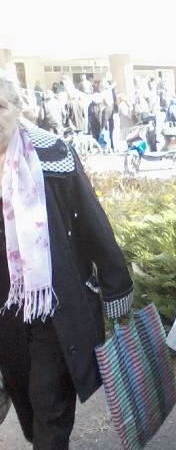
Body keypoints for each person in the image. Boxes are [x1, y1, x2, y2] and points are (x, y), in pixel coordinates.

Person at [0, 74, 133, 449]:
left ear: (17, 109)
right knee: (26, 399)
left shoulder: (53, 155)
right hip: (6, 312)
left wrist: (115, 289)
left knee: (50, 407)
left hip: (53, 304)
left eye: (0, 106)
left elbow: (92, 222)